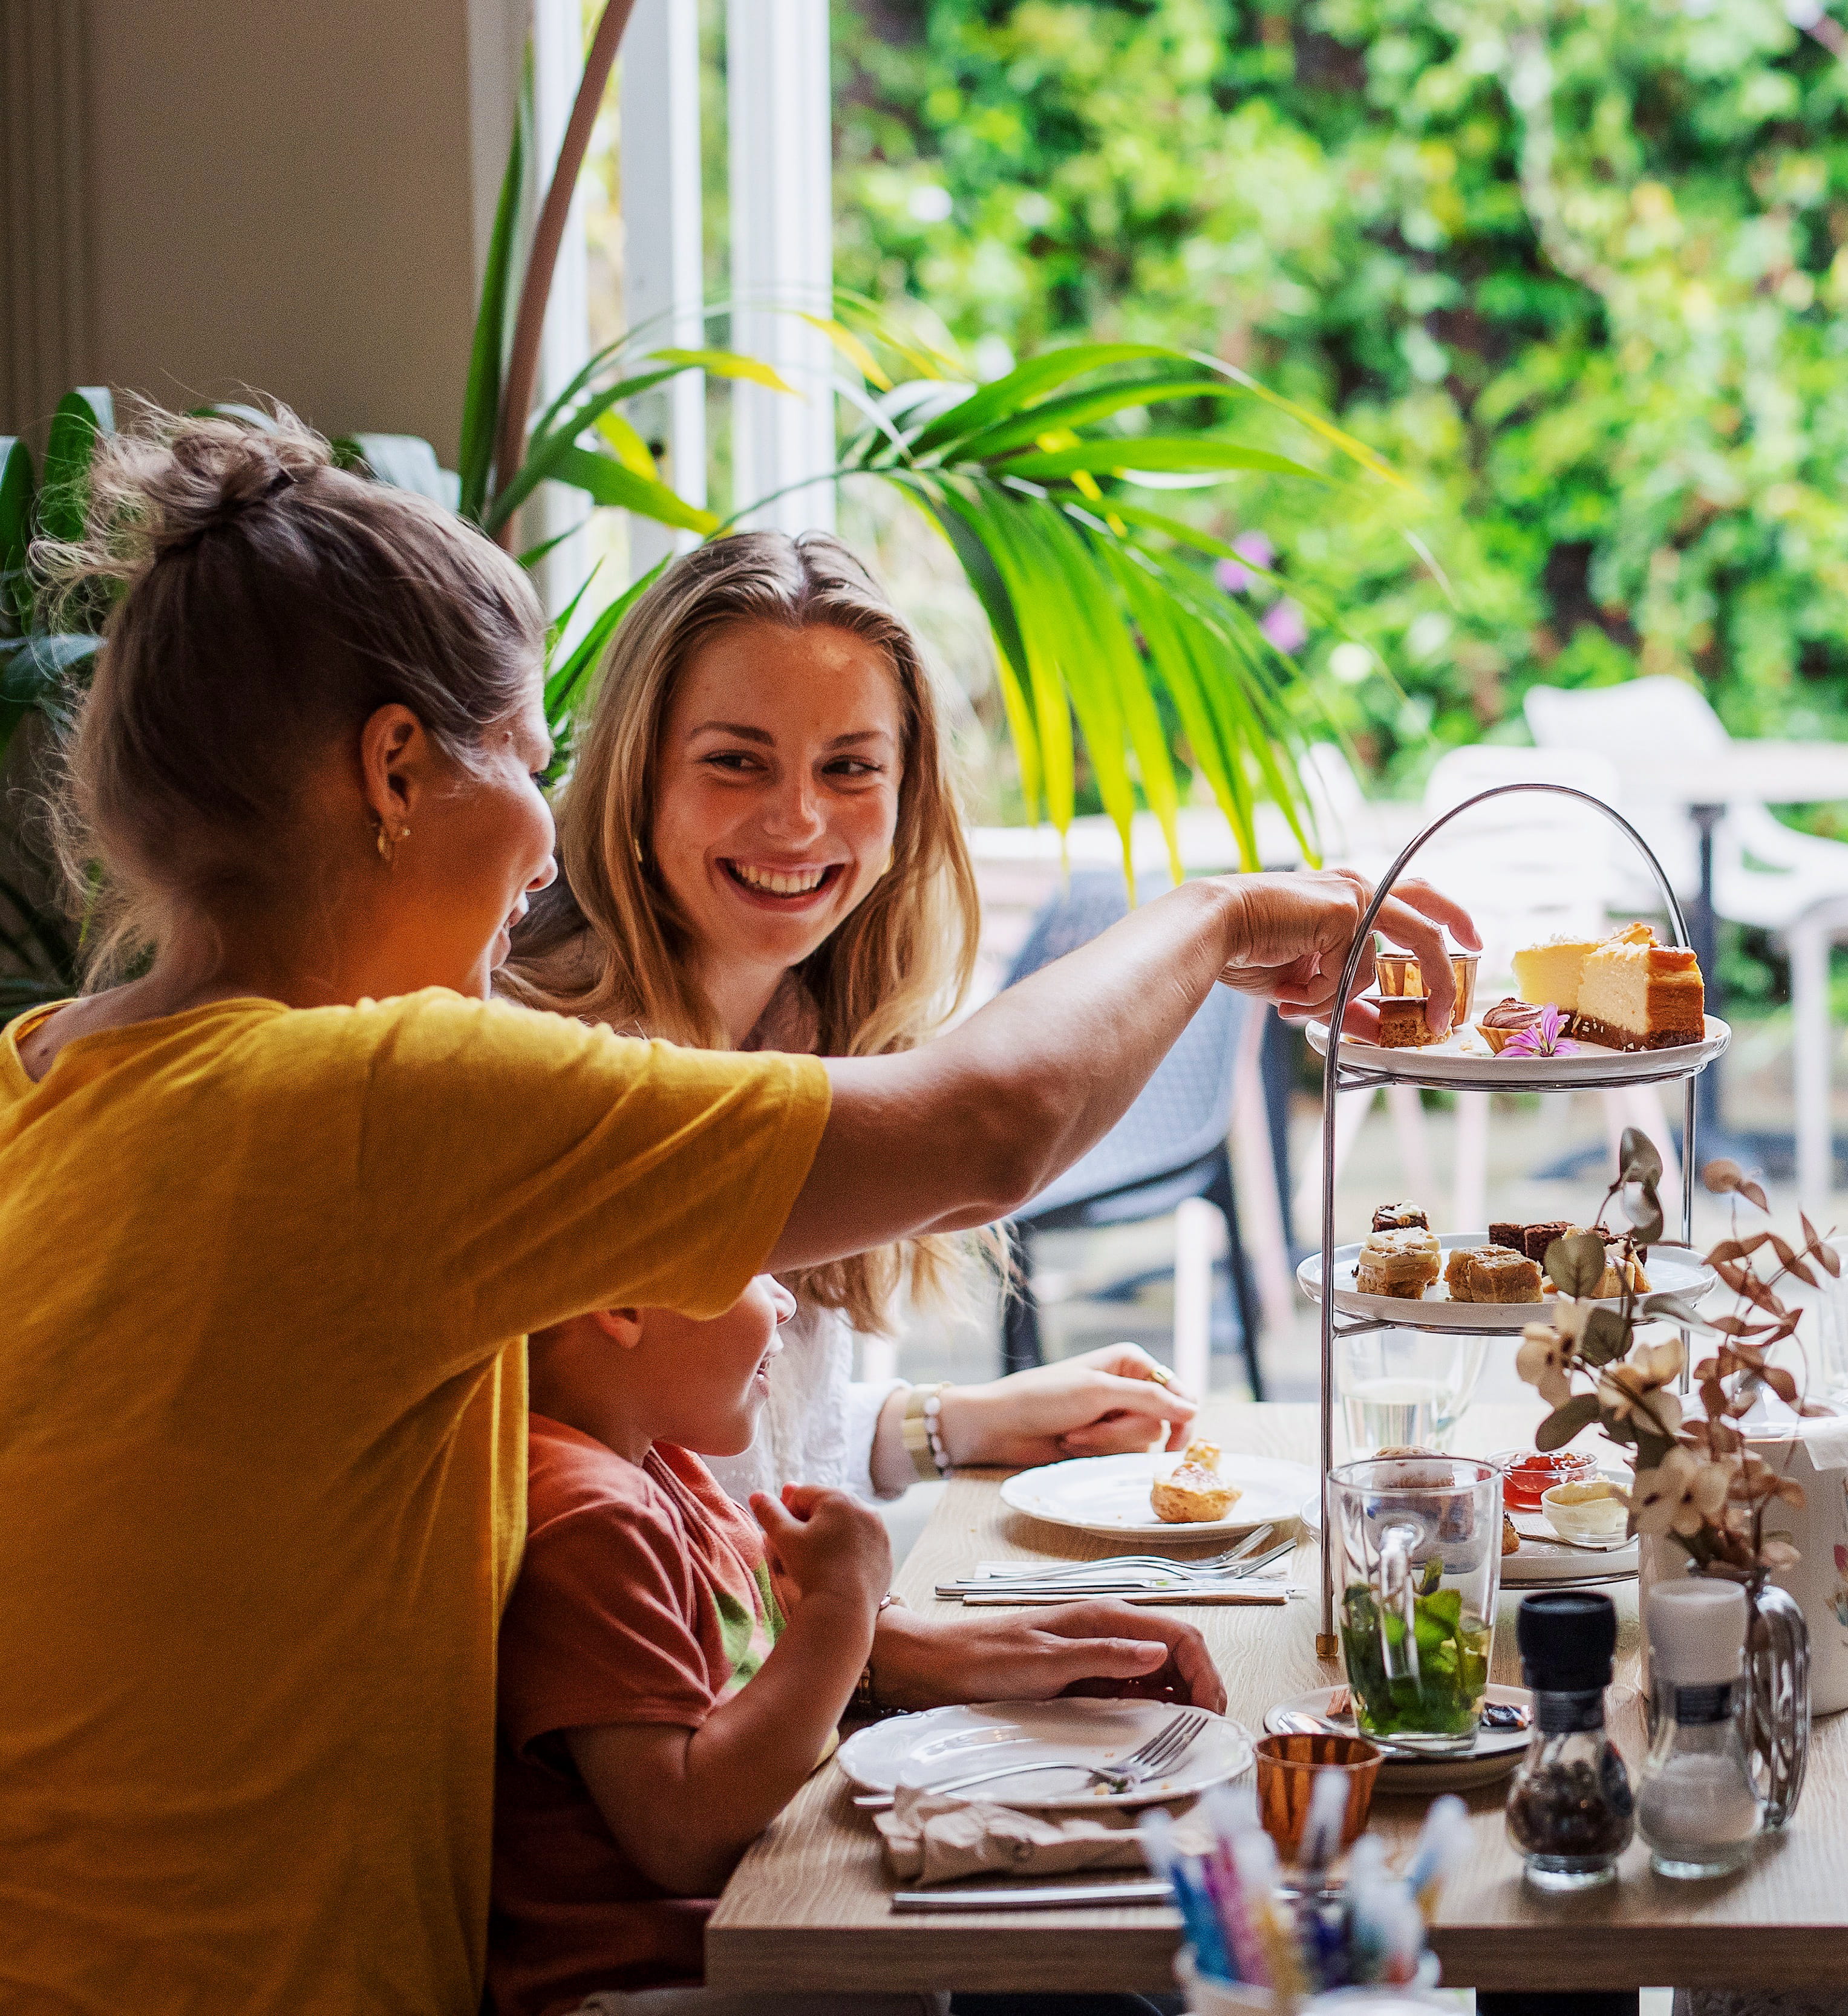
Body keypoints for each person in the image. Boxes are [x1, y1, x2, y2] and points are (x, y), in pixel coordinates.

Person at [0, 406, 1468, 2016]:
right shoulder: (376, 1101)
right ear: (399, 768)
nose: (543, 839)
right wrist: (1231, 909)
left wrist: (887, 1621)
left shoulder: (44, 1086)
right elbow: (985, 1129)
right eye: (526, 761)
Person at [507, 530, 1217, 1711]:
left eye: (849, 768)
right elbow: (601, 1544)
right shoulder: (558, 1068)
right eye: (736, 762)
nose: (796, 820)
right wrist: (885, 1650)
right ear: (635, 776)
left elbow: (747, 1435)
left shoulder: (807, 1023)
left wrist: (945, 1422)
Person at [489, 1274, 921, 2016]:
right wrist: (841, 1605)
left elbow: (766, 1675)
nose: (786, 1299)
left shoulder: (660, 1467)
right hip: (647, 1986)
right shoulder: (590, 1514)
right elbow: (684, 1836)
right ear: (621, 1307)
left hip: (748, 1931)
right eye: (752, 1266)